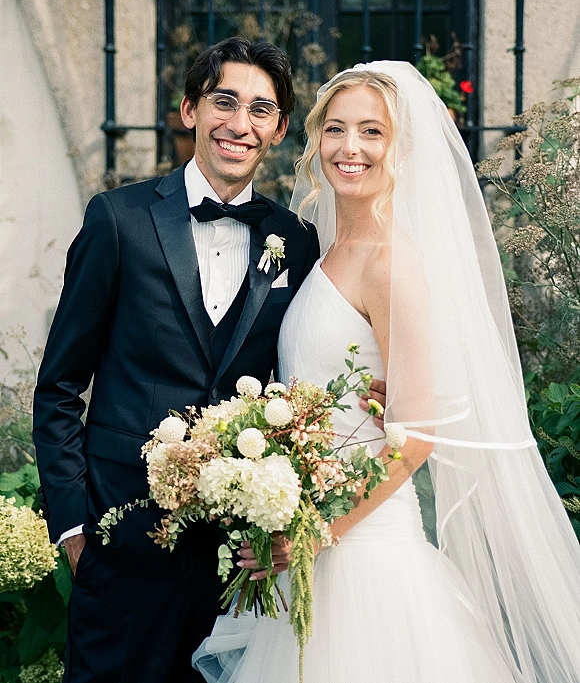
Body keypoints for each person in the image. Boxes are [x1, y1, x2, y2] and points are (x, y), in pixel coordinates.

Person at [192, 61, 580, 683]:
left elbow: (416, 436)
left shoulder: (391, 263)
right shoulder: (324, 253)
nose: (351, 148)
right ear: (316, 139)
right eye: (337, 129)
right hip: (309, 551)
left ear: (401, 148)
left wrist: (314, 533)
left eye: (373, 132)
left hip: (365, 562)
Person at [32, 36, 323, 683]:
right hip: (120, 551)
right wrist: (75, 530)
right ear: (190, 109)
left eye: (259, 109)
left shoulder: (295, 242)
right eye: (224, 101)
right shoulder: (118, 220)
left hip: (233, 564)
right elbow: (57, 387)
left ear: (276, 129)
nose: (238, 124)